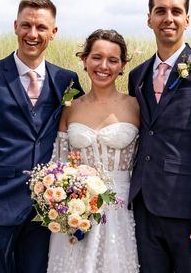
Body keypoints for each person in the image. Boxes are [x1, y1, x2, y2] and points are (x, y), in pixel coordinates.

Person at [0, 0, 83, 273]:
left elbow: (82, 127)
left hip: (47, 212)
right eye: (26, 25)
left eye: (41, 27)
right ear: (15, 26)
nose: (32, 34)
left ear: (54, 32)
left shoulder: (67, 80)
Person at [128, 0, 191, 272]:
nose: (168, 18)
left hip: (188, 209)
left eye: (176, 11)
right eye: (160, 11)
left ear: (187, 19)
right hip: (144, 204)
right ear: (149, 19)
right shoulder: (137, 75)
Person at [47, 29, 140, 273]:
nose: (103, 66)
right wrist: (64, 203)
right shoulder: (70, 108)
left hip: (120, 209)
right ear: (84, 60)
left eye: (113, 60)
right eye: (96, 57)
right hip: (77, 210)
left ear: (122, 65)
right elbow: (59, 162)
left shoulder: (135, 106)